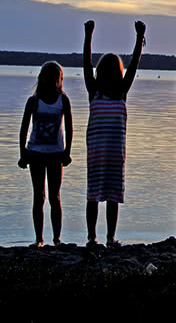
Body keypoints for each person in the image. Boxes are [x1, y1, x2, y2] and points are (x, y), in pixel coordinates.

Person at [83, 19, 146, 247]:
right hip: (105, 154)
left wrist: (89, 34)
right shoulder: (97, 92)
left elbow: (87, 63)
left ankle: (103, 237)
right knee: (104, 196)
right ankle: (98, 237)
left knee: (105, 196)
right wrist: (139, 37)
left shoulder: (119, 92)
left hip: (105, 155)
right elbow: (134, 64)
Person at [18, 61, 73, 247]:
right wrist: (22, 154)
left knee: (54, 196)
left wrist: (67, 152)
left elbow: (70, 127)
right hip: (35, 154)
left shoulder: (63, 100)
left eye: (56, 79)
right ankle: (39, 239)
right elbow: (24, 128)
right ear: (42, 79)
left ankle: (56, 238)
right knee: (38, 196)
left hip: (56, 155)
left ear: (59, 81)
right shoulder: (33, 101)